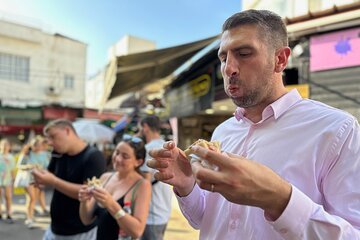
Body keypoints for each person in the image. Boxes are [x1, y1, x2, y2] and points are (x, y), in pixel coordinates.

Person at [147, 9, 360, 240]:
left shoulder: (336, 130)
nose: (228, 68)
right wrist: (186, 184)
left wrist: (280, 200)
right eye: (223, 58)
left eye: (244, 53)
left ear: (280, 59)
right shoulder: (223, 131)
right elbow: (204, 219)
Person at [32, 119, 106, 240]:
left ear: (67, 131)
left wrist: (53, 181)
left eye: (53, 137)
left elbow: (88, 193)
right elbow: (50, 177)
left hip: (80, 231)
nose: (50, 142)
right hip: (54, 228)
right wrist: (41, 180)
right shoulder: (58, 153)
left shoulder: (93, 156)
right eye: (48, 139)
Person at [78, 134, 151, 240]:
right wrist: (84, 201)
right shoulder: (105, 177)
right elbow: (86, 220)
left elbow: (137, 231)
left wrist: (111, 204)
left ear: (138, 162)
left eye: (125, 156)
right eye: (117, 152)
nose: (118, 158)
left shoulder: (142, 185)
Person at [138, 115, 173, 240]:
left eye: (140, 128)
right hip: (164, 208)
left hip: (151, 212)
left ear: (145, 127)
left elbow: (145, 182)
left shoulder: (147, 149)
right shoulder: (167, 146)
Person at [22, 137, 51, 228]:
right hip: (28, 179)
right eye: (36, 145)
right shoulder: (27, 154)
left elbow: (47, 166)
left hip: (38, 179)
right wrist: (29, 166)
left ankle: (31, 215)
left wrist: (42, 170)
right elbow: (19, 166)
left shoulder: (44, 154)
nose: (38, 147)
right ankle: (29, 219)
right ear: (32, 145)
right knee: (31, 198)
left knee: (34, 199)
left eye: (39, 145)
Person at [0, 138, 16, 224]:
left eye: (7, 145)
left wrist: (14, 180)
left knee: (8, 197)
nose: (5, 146)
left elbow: (13, 170)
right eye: (3, 144)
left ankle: (9, 214)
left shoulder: (11, 157)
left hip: (8, 180)